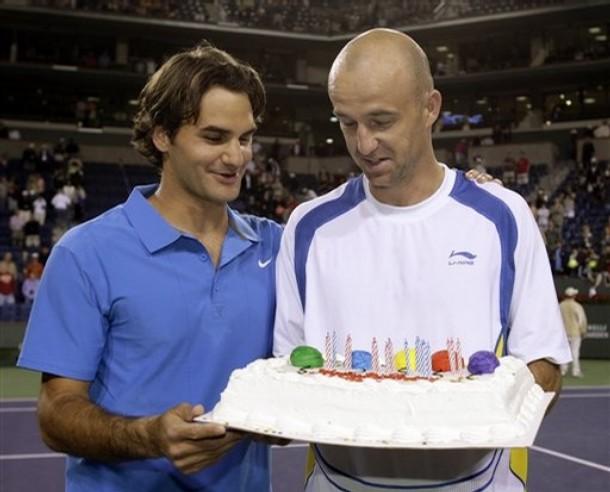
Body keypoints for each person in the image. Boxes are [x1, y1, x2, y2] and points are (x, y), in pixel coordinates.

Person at [273, 29, 571, 491]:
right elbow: (288, 375)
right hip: (338, 482)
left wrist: (468, 410)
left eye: (381, 121)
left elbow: (545, 367)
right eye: (347, 124)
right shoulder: (308, 227)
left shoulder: (502, 216)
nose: (364, 144)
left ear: (430, 107)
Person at [17, 43, 283, 491]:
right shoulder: (86, 253)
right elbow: (56, 414)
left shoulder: (278, 247)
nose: (237, 157)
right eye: (214, 138)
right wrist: (150, 436)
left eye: (245, 138)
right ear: (162, 136)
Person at [559, 287, 587, 377]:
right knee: (575, 352)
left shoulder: (560, 306)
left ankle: (563, 370)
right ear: (574, 296)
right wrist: (583, 331)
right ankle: (576, 371)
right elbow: (582, 320)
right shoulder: (577, 306)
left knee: (564, 352)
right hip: (575, 333)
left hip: (563, 333)